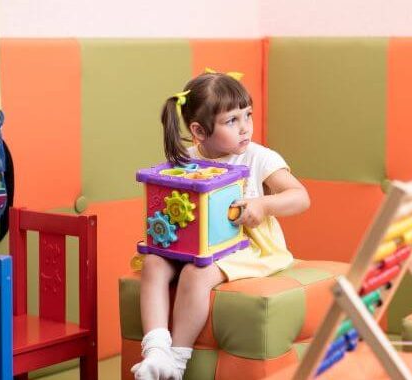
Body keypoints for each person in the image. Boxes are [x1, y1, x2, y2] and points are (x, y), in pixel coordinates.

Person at [132, 71, 310, 379]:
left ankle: (176, 360)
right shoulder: (186, 159)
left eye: (248, 115)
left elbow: (300, 197)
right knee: (153, 264)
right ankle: (156, 349)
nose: (245, 128)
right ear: (199, 132)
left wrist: (263, 205)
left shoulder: (258, 158)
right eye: (232, 121)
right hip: (194, 243)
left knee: (196, 273)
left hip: (249, 245)